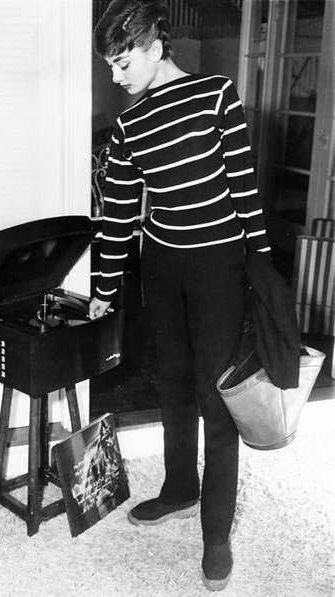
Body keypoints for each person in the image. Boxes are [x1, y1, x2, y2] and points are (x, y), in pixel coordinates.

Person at [89, 0, 271, 592]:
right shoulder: (127, 126)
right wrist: (102, 290)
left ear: (153, 45)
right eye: (110, 67)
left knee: (216, 399)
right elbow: (117, 215)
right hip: (162, 265)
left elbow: (245, 188)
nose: (115, 78)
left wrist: (263, 267)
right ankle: (178, 488)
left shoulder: (218, 95)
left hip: (219, 266)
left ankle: (216, 535)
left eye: (121, 63)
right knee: (173, 383)